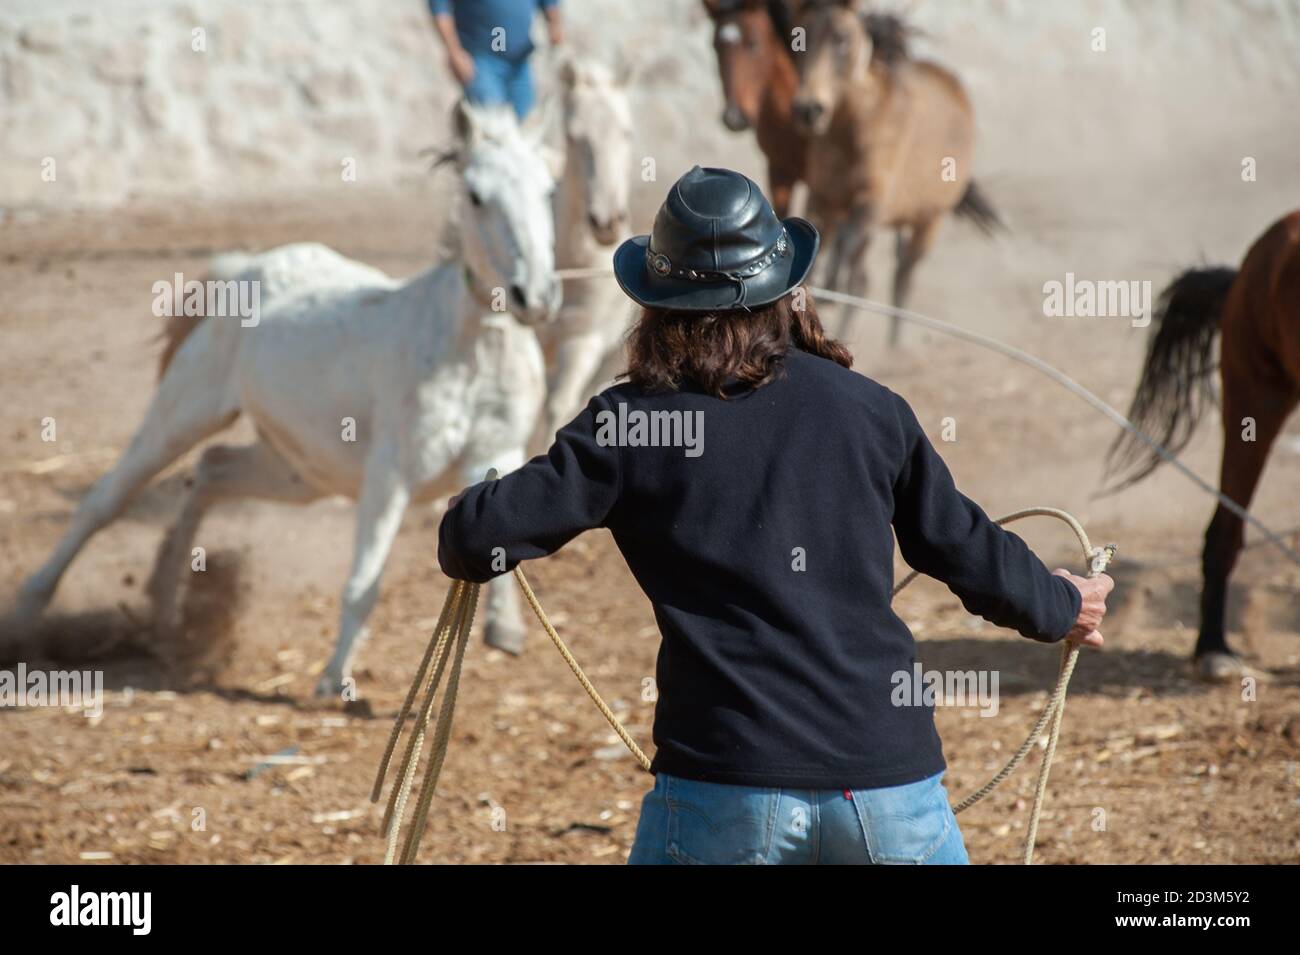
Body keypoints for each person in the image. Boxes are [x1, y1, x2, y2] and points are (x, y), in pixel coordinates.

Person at [438, 166, 1114, 865]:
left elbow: (476, 542)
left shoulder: (629, 426)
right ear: (786, 290)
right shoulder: (871, 411)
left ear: (657, 303)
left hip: (724, 789)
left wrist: (469, 514)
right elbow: (965, 546)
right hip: (890, 791)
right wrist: (1063, 602)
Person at [429, 0, 562, 119]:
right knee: (494, 126)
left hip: (520, 62)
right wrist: (454, 52)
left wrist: (554, 24)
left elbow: (550, 4)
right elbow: (440, 8)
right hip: (481, 62)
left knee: (525, 127)